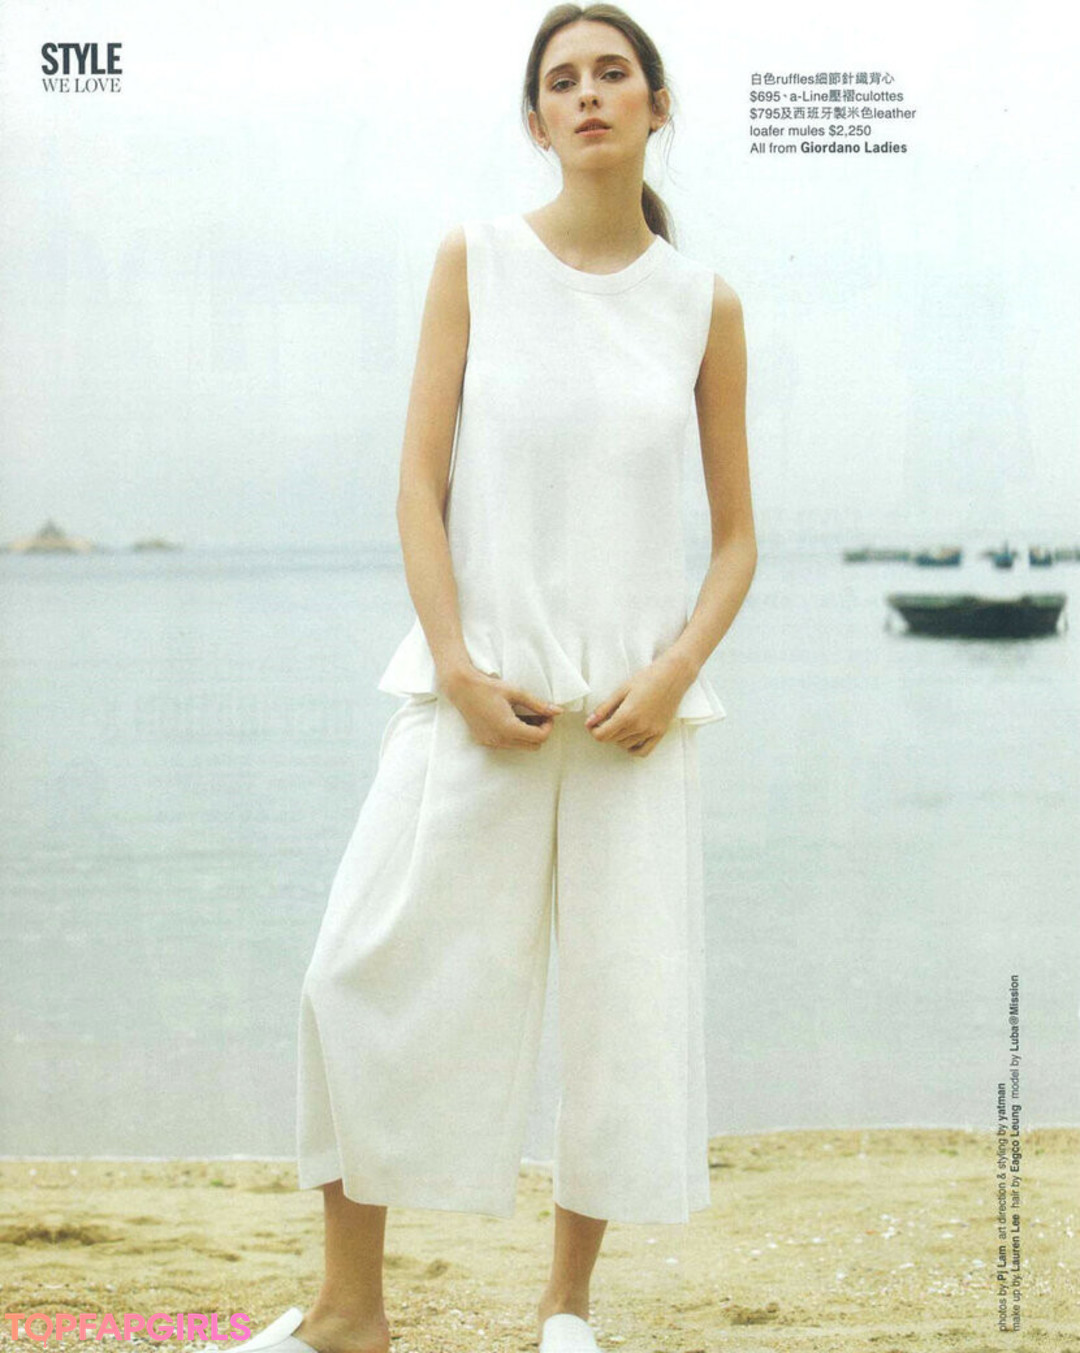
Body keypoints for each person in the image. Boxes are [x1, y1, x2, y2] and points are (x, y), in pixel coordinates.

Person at [237, 6, 756, 1353]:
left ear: (656, 105)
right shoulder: (473, 260)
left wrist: (675, 671)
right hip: (474, 703)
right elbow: (419, 484)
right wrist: (458, 669)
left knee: (619, 1013)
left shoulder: (703, 305)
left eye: (612, 74)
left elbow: (738, 539)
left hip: (634, 723)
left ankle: (565, 1310)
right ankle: (351, 1311)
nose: (588, 95)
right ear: (536, 120)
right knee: (356, 972)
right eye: (561, 81)